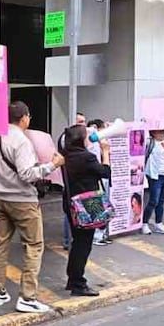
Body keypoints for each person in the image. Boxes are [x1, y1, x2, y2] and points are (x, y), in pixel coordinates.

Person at [0, 101, 64, 314]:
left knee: (0, 244)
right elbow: (27, 174)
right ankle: (27, 298)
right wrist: (52, 166)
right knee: (33, 245)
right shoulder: (21, 141)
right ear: (24, 118)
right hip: (22, 200)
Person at [60, 124, 111, 297]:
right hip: (88, 203)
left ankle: (72, 278)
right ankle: (78, 283)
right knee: (83, 244)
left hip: (71, 202)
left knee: (77, 242)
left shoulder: (66, 155)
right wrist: (105, 152)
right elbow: (105, 172)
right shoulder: (87, 157)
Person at [59, 112, 86, 250]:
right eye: (80, 122)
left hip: (74, 181)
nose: (84, 125)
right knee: (70, 211)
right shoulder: (68, 140)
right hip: (73, 182)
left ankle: (70, 240)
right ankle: (68, 240)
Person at [87, 119, 113, 246]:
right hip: (97, 176)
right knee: (97, 206)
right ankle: (96, 236)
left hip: (102, 175)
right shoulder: (91, 143)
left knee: (104, 206)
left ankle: (102, 233)